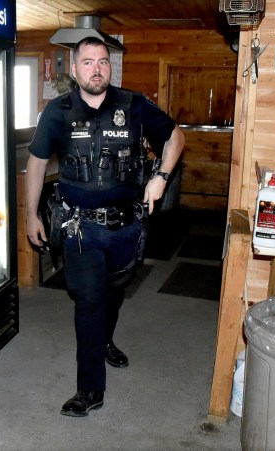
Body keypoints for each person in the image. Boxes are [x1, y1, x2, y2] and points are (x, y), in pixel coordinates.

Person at [25, 37, 185, 417]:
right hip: (80, 227)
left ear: (109, 67)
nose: (96, 69)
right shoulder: (58, 111)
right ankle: (90, 390)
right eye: (87, 62)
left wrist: (161, 176)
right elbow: (35, 163)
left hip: (127, 226)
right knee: (89, 301)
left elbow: (175, 136)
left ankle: (106, 339)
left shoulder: (133, 105)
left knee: (114, 294)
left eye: (103, 62)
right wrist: (31, 213)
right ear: (75, 68)